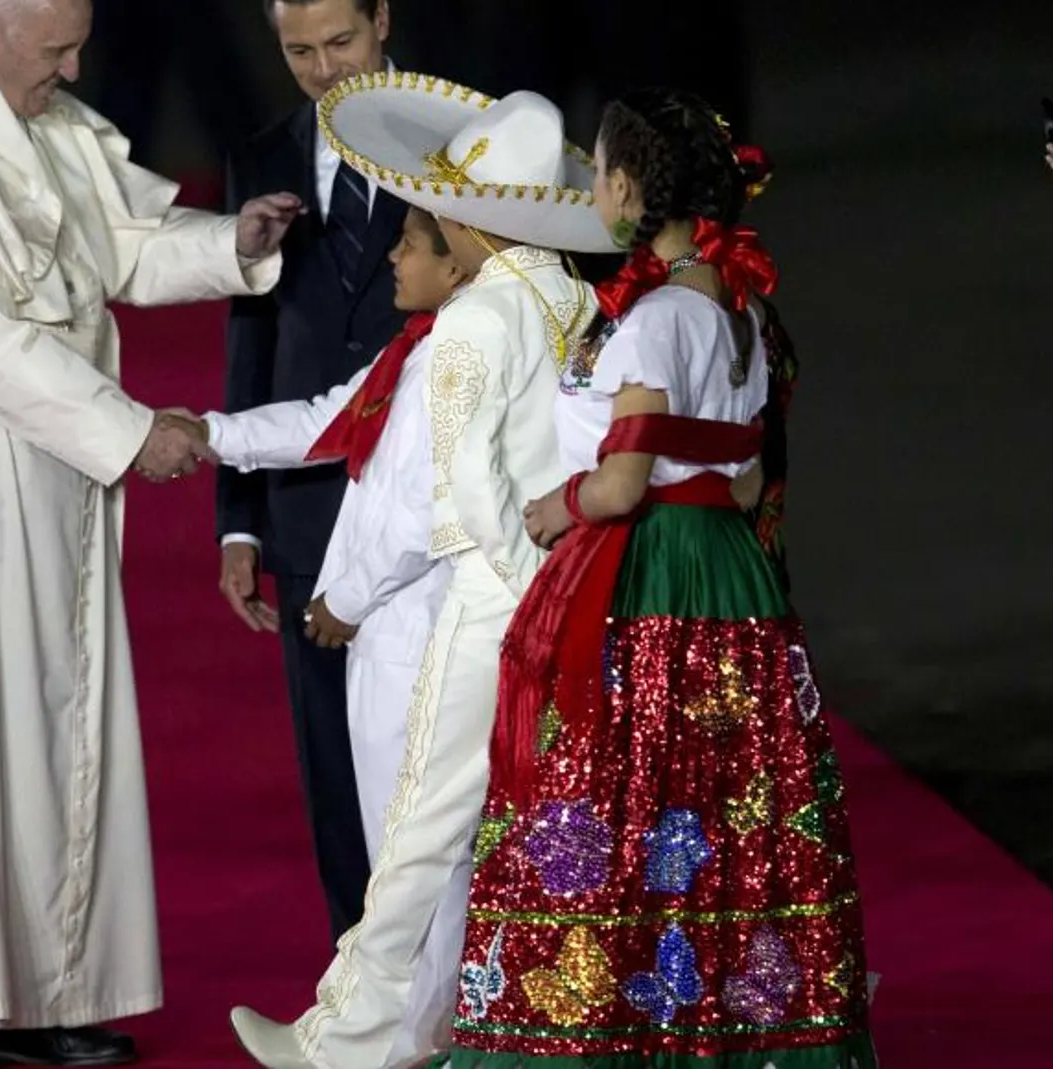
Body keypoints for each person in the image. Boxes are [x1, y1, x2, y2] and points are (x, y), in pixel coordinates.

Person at [0, 2, 299, 1067]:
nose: (76, 67)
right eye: (57, 49)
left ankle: (38, 992)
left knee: (47, 719)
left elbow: (109, 244)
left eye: (78, 44)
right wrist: (128, 433)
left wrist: (230, 243)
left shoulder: (39, 116)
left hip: (31, 458)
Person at [434, 87, 876, 1068]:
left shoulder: (651, 321)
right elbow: (752, 467)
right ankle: (732, 1029)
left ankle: (604, 1034)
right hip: (729, 575)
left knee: (610, 803)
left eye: (596, 171)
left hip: (645, 581)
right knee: (729, 810)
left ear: (630, 187)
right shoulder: (745, 307)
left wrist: (560, 504)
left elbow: (622, 482)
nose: (590, 186)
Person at [221, 83, 611, 1069]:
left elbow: (463, 485)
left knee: (416, 838)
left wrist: (521, 585)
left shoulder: (472, 323)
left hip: (488, 596)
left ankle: (346, 1040)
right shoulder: (567, 295)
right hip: (558, 585)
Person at [220, 0, 404, 948]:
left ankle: (463, 995)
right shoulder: (262, 155)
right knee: (331, 760)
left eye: (343, 42)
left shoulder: (460, 146)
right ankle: (361, 982)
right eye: (300, 51)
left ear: (384, 19)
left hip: (430, 502)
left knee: (433, 754)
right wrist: (238, 522)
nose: (326, 69)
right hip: (306, 509)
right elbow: (249, 340)